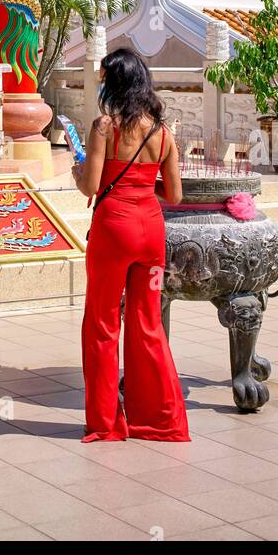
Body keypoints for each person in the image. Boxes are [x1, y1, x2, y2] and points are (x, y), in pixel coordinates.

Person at [74, 48, 190, 443]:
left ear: (116, 82)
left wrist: (79, 171)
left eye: (105, 78)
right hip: (152, 235)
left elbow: (90, 186)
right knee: (148, 324)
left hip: (114, 231)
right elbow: (173, 195)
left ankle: (106, 424)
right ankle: (161, 421)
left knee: (103, 325)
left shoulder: (105, 127)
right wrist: (142, 182)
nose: (102, 84)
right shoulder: (163, 132)